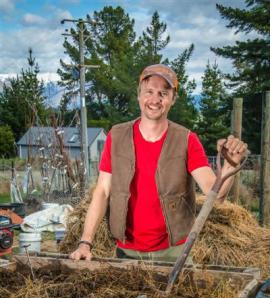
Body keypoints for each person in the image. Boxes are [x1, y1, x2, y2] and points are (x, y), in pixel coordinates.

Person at [70, 64, 247, 262]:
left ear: (172, 99)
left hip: (175, 253)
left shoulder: (186, 140)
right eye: (149, 92)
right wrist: (85, 242)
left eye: (163, 93)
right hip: (126, 252)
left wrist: (230, 165)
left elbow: (216, 195)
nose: (155, 100)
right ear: (139, 96)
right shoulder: (117, 136)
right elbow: (102, 191)